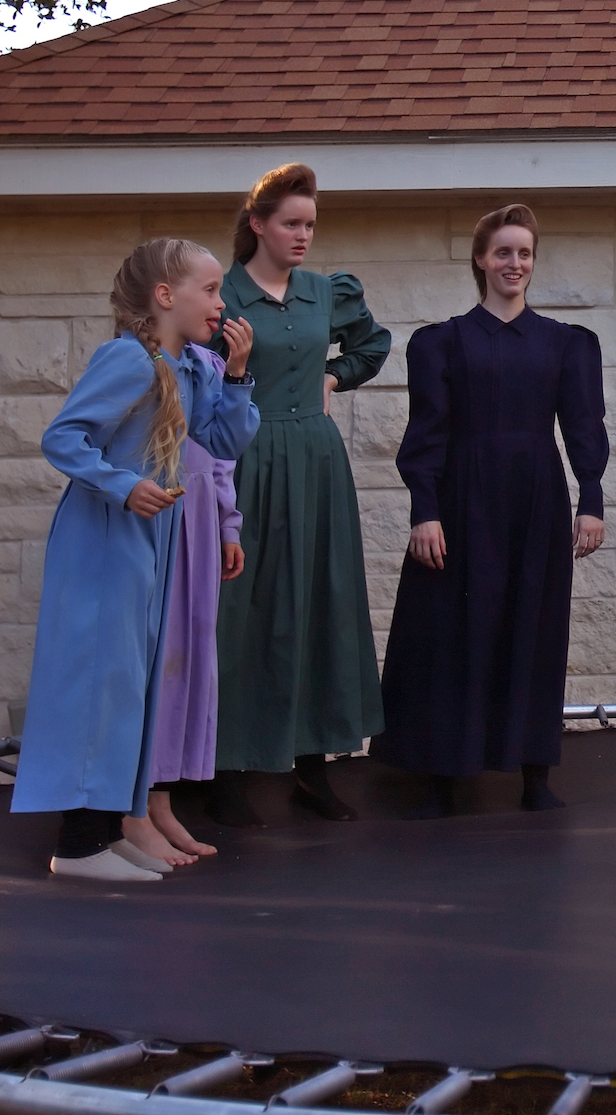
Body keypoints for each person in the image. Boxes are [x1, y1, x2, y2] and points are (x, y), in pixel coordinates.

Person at [13, 239, 258, 881]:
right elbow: (63, 436)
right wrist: (123, 484)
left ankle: (105, 833)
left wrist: (236, 373)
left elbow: (225, 439)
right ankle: (79, 845)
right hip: (102, 539)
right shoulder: (127, 360)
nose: (220, 302)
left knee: (127, 683)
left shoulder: (194, 368)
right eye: (208, 290)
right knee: (99, 679)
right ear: (165, 296)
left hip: (148, 543)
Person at [373, 205, 608, 817]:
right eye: (503, 252)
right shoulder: (441, 343)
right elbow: (425, 433)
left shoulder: (565, 344)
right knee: (451, 632)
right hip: (460, 497)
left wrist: (592, 502)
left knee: (534, 628)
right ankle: (441, 776)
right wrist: (425, 510)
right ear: (480, 259)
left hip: (536, 500)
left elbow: (584, 427)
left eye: (525, 253)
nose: (515, 263)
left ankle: (535, 776)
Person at [210, 163, 393, 826]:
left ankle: (312, 767)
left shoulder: (325, 292)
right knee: (241, 609)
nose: (303, 235)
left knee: (321, 600)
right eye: (291, 222)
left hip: (316, 460)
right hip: (244, 462)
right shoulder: (222, 293)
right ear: (257, 223)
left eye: (310, 224)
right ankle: (225, 766)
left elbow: (373, 344)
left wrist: (335, 378)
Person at [143, 435, 242, 861]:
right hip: (151, 511)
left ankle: (159, 805)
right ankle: (130, 810)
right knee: (151, 659)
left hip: (198, 514)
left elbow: (222, 452)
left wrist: (227, 522)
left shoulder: (210, 369)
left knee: (184, 662)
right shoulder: (146, 365)